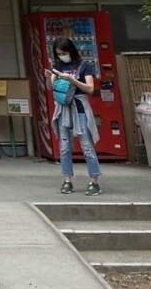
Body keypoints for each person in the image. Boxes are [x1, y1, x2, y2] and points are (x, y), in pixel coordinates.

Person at [46, 36, 102, 195]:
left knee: (86, 145)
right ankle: (67, 179)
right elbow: (50, 88)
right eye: (58, 53)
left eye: (64, 52)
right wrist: (47, 78)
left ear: (71, 50)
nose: (62, 56)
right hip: (63, 109)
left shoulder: (84, 66)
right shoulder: (57, 66)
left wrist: (73, 80)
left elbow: (90, 89)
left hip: (80, 108)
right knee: (64, 147)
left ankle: (94, 181)